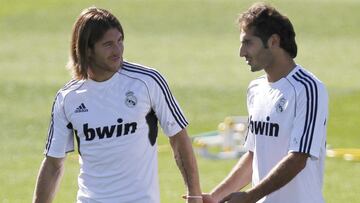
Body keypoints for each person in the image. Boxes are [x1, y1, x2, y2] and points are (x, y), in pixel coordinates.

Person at [32, 7, 203, 203]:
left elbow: (179, 139)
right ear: (87, 50)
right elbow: (53, 163)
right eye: (108, 44)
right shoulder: (68, 98)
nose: (118, 50)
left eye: (120, 41)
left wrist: (194, 195)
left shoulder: (147, 81)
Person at [202, 2, 328, 203]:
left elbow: (298, 159)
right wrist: (214, 197)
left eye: (248, 43)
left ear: (273, 41)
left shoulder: (308, 88)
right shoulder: (256, 89)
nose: (241, 52)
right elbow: (253, 156)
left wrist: (251, 196)